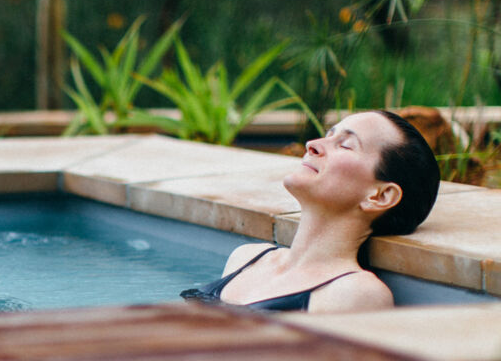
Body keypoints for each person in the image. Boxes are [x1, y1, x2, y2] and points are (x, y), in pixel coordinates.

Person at [181, 109, 440, 313]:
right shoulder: (248, 259)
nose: (312, 144)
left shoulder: (354, 293)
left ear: (380, 196)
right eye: (328, 135)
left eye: (346, 144)